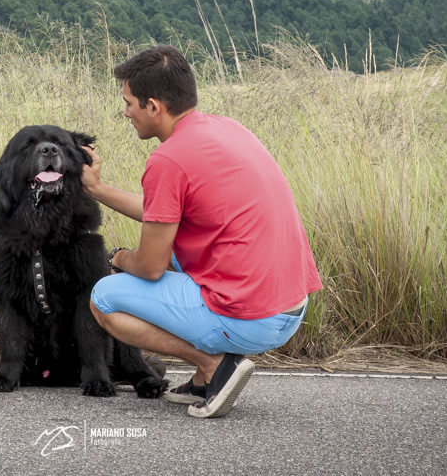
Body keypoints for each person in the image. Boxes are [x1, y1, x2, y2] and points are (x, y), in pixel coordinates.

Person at [84, 45, 322, 418]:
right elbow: (163, 215)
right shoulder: (227, 128)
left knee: (103, 297)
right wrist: (98, 190)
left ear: (153, 106)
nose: (125, 112)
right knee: (181, 244)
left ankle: (212, 365)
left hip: (251, 319)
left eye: (129, 103)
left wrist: (117, 258)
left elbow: (149, 267)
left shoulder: (167, 160)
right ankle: (201, 379)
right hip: (290, 305)